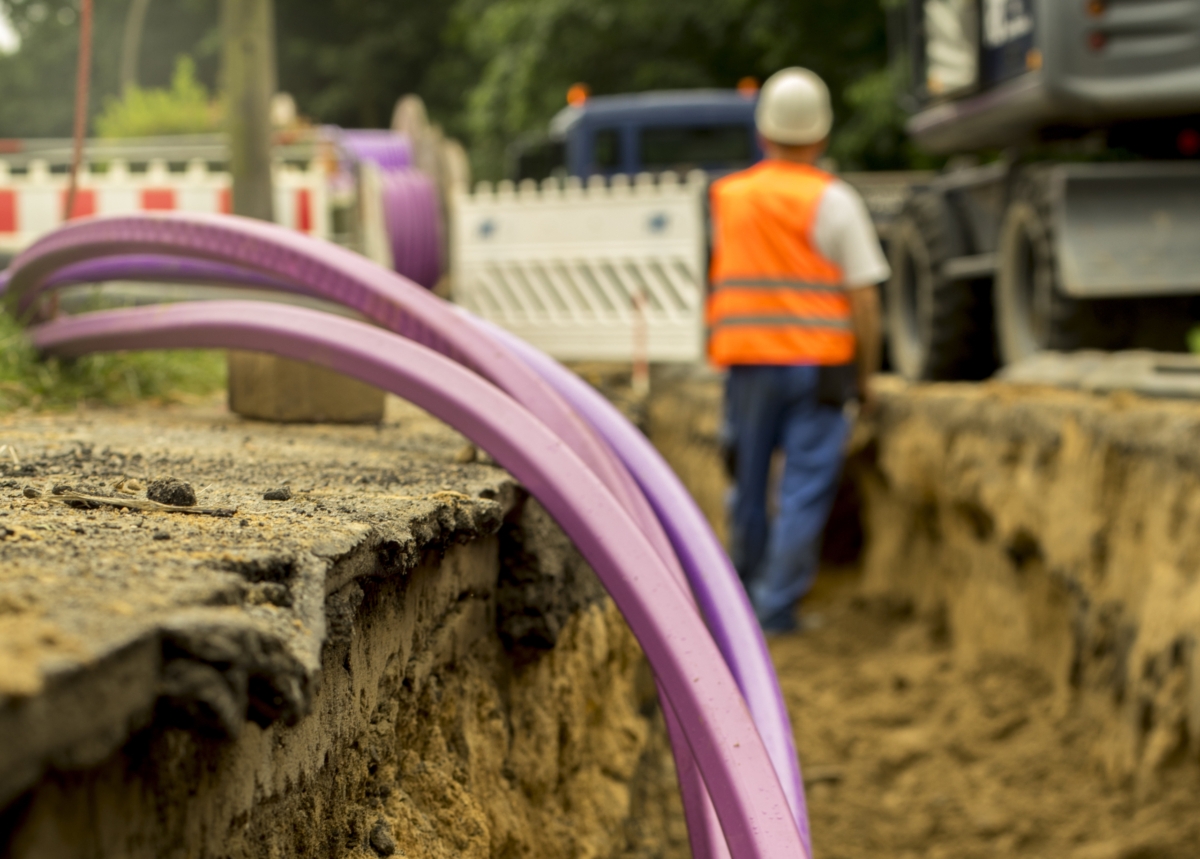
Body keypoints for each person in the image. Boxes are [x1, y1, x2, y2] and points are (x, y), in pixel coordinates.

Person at [707, 67, 888, 634]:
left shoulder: (728, 198)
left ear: (763, 133)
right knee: (804, 489)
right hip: (821, 366)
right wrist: (869, 378)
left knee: (749, 486)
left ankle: (740, 604)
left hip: (748, 363)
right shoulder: (835, 201)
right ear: (822, 136)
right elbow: (864, 299)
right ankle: (775, 609)